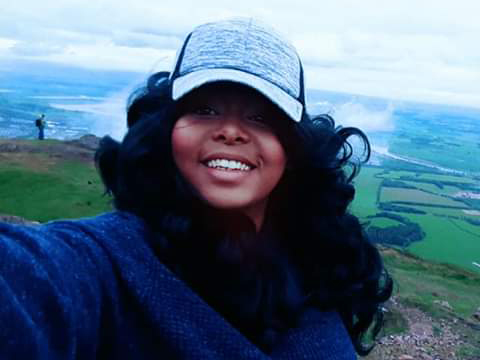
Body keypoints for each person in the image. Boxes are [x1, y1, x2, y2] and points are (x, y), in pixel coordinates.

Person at [0, 18, 392, 359]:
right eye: (204, 109)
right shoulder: (106, 263)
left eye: (261, 116)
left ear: (292, 149)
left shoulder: (321, 265)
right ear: (166, 130)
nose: (230, 131)